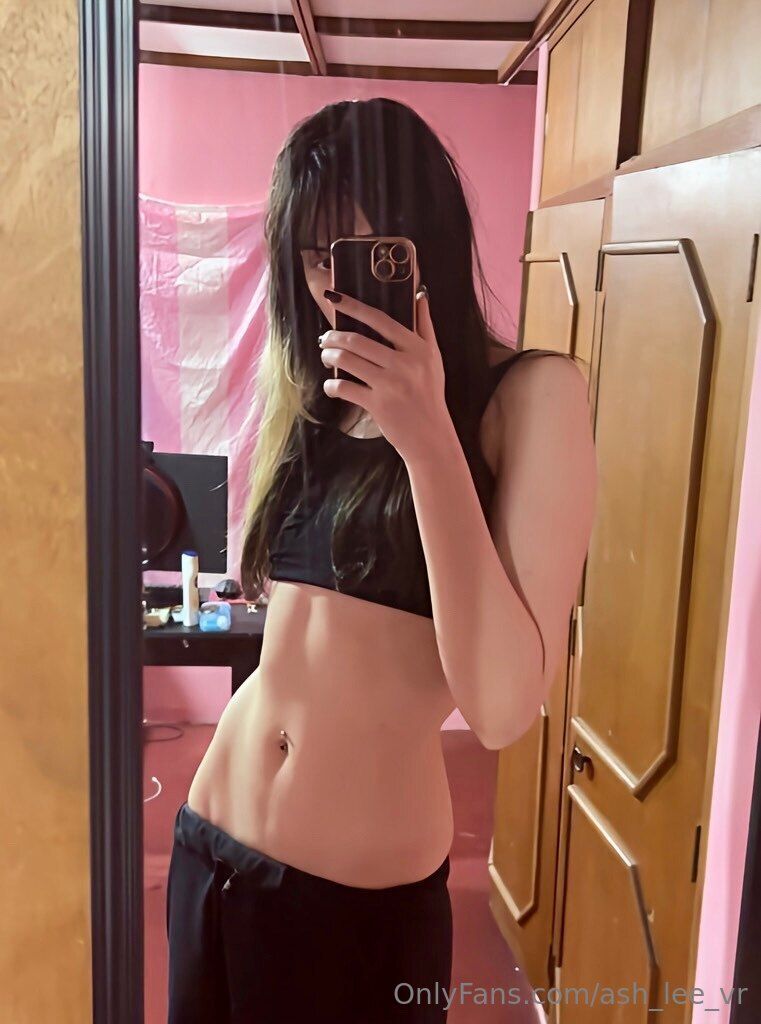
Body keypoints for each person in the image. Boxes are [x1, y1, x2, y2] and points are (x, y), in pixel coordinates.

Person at [165, 97, 597, 1024]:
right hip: (210, 848)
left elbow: (500, 708)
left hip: (352, 907)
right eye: (313, 255)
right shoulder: (319, 394)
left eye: (362, 250)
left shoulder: (531, 397)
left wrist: (427, 437)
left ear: (422, 239)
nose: (334, 282)